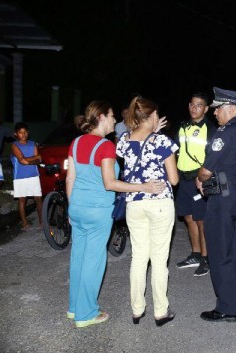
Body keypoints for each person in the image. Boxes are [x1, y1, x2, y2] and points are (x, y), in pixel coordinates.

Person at [67, 100, 166, 328]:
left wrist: (72, 208)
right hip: (97, 210)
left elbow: (70, 178)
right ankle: (86, 314)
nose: (114, 120)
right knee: (94, 261)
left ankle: (74, 308)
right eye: (111, 116)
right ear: (101, 117)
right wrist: (145, 187)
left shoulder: (76, 143)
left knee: (78, 258)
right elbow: (110, 183)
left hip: (78, 208)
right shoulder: (105, 146)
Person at [196, 87, 236, 322]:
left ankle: (226, 308)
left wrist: (200, 179)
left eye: (217, 109)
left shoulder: (224, 134)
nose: (215, 113)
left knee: (221, 250)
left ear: (230, 108)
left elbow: (205, 171)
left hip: (225, 196)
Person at [117, 95, 179, 326]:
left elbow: (137, 146)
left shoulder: (123, 140)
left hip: (135, 203)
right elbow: (173, 179)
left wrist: (152, 129)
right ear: (153, 115)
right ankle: (160, 311)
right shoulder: (163, 142)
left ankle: (137, 309)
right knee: (159, 259)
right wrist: (158, 135)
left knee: (139, 257)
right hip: (160, 202)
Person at [175, 92, 215, 277]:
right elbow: (176, 151)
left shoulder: (210, 129)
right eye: (192, 104)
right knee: (189, 218)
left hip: (198, 181)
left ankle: (206, 259)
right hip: (183, 179)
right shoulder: (183, 127)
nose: (194, 108)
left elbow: (213, 158)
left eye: (199, 105)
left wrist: (204, 178)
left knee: (201, 220)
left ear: (206, 109)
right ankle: (196, 254)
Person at [10, 122, 43, 230]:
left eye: (25, 132)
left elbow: (39, 160)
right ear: (16, 134)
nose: (23, 134)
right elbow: (21, 160)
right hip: (20, 177)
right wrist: (34, 158)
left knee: (38, 199)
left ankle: (42, 222)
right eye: (20, 132)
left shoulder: (32, 143)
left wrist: (28, 160)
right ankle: (24, 223)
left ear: (28, 133)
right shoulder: (14, 145)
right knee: (22, 200)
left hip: (34, 175)